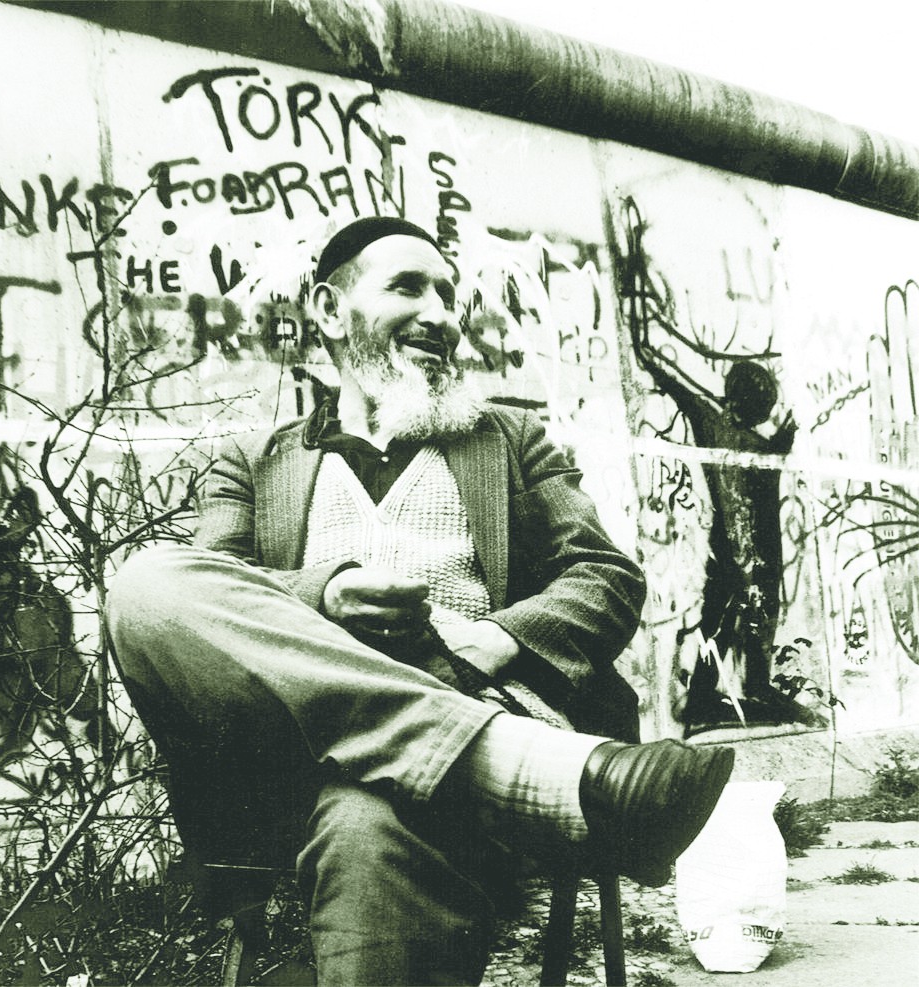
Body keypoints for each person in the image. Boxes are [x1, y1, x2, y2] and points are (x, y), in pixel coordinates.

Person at [107, 216, 734, 986]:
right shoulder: (253, 459)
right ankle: (519, 763)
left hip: (466, 728)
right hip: (304, 756)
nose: (441, 315)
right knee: (146, 584)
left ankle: (478, 751)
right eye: (408, 287)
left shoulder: (510, 438)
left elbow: (604, 574)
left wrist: (496, 639)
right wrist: (325, 593)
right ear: (329, 310)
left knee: (366, 826)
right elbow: (214, 593)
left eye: (448, 295)